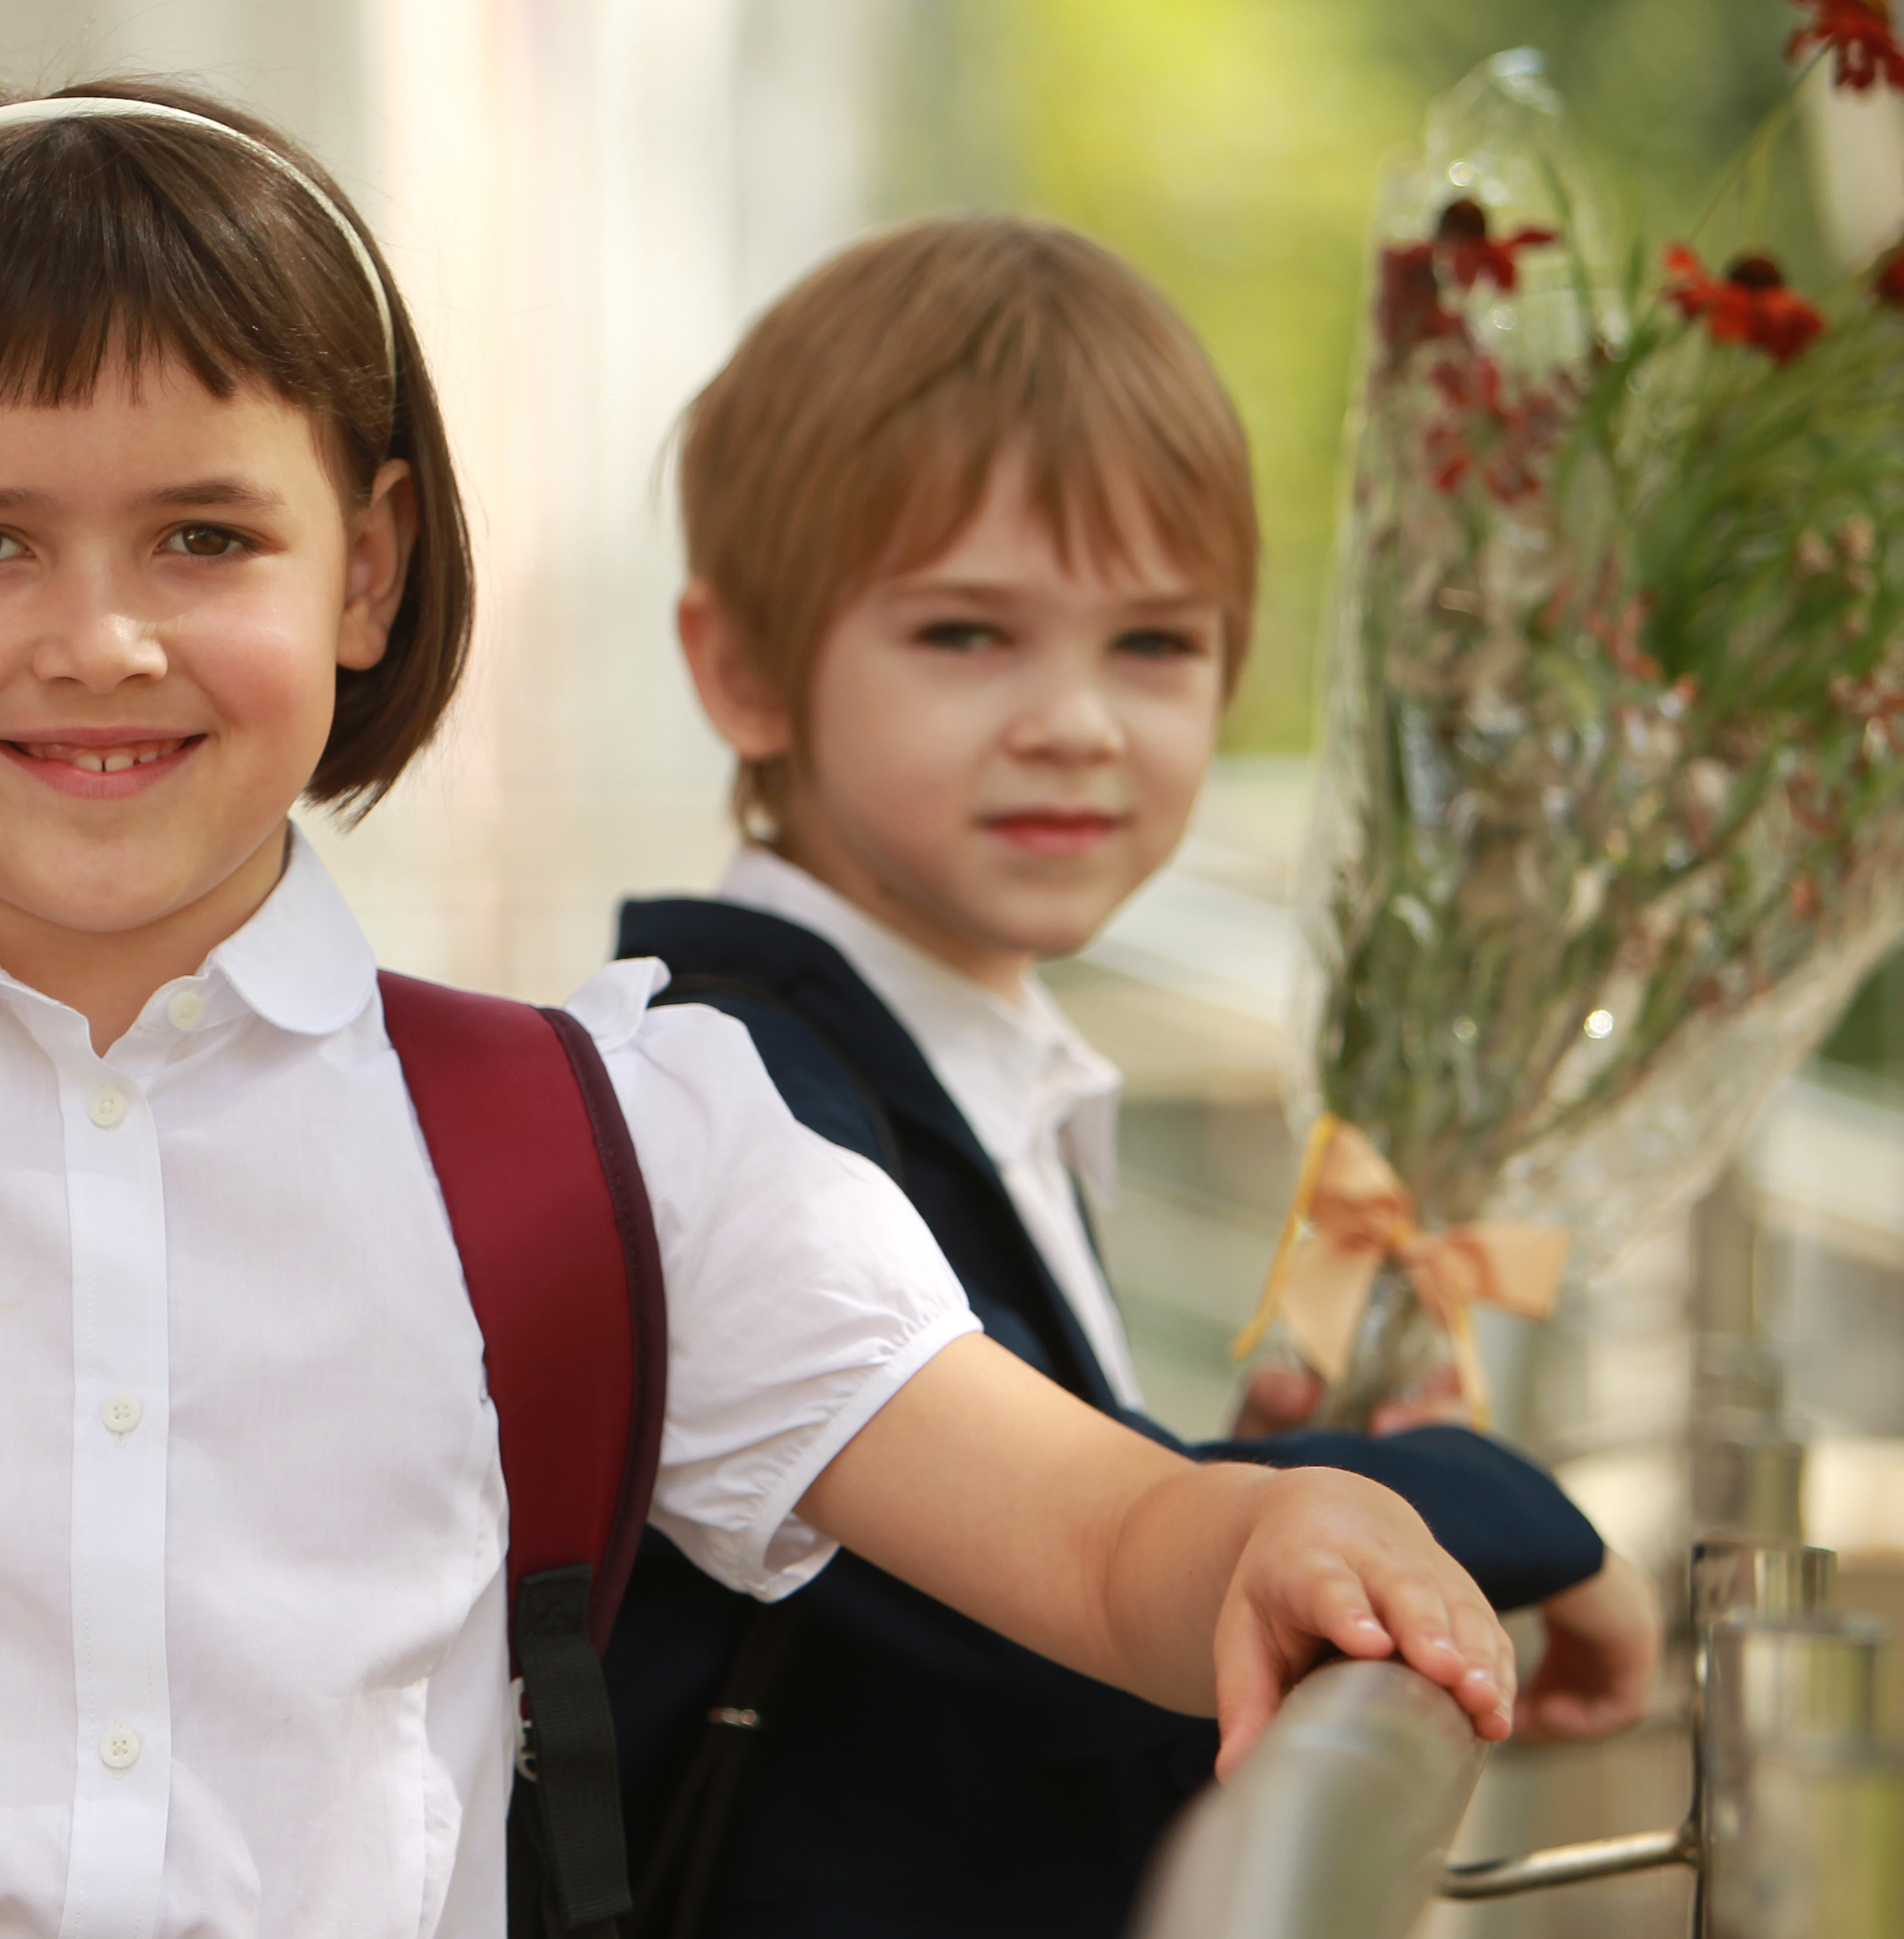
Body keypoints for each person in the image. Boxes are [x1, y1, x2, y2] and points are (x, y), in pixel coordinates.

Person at [0, 77, 1527, 1939]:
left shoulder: (619, 1145)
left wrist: (1276, 1526)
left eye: (205, 538)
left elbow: (1102, 1529)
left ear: (368, 562)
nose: (99, 641)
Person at [603, 214, 1663, 1939]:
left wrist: (1291, 1456)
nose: (1077, 723)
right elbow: (1095, 1620)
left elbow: (1092, 1501)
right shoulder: (723, 1102)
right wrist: (1519, 1513)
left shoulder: (958, 1065)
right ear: (741, 670)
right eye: (965, 636)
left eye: (1155, 645)